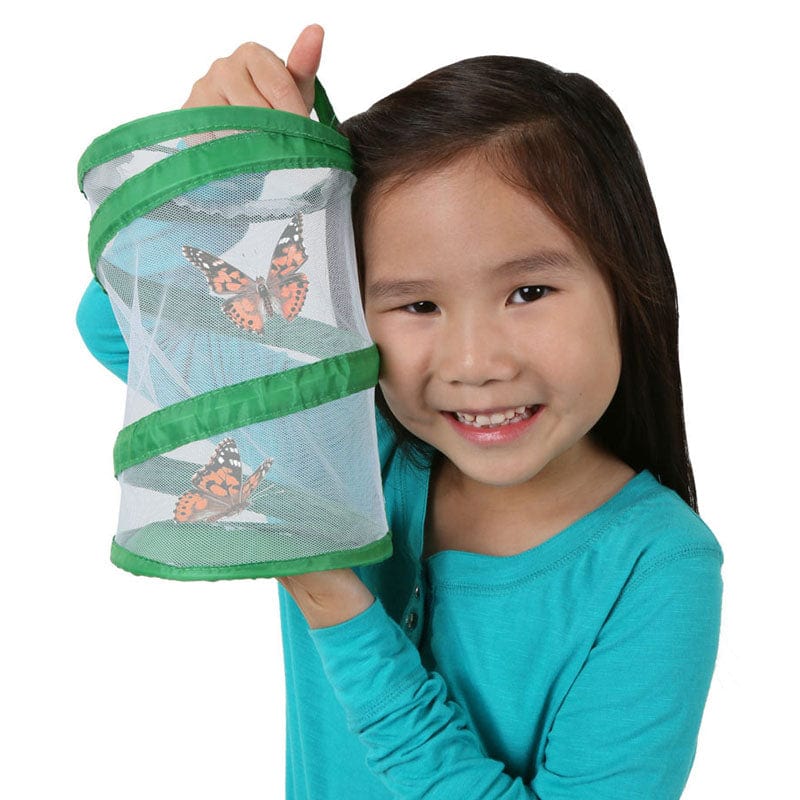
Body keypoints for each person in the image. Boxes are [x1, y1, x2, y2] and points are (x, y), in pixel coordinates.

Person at [76, 24, 723, 799]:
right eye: (417, 304)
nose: (477, 363)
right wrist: (221, 178)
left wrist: (331, 595)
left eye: (528, 292)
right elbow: (124, 328)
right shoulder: (349, 443)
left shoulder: (654, 565)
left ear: (627, 282)